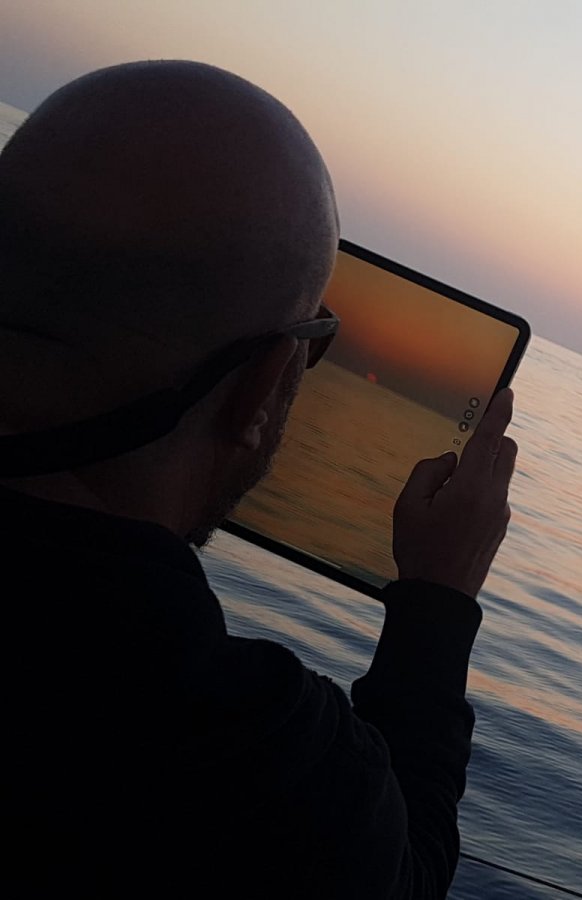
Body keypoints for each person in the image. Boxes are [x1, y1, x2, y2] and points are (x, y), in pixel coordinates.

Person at [0, 61, 517, 897]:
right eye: (314, 344)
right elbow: (402, 875)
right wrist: (438, 600)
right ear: (261, 386)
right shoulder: (240, 756)